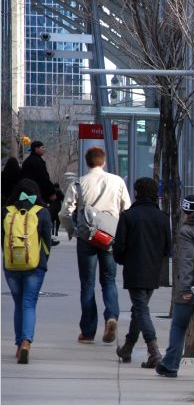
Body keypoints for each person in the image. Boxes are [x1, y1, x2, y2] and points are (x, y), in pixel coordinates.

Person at [60, 146, 131, 344]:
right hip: (109, 237)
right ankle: (111, 316)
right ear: (104, 161)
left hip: (86, 238)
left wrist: (72, 231)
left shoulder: (78, 183)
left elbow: (64, 213)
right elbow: (127, 208)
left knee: (87, 284)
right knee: (109, 281)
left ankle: (88, 331)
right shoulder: (117, 181)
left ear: (86, 162)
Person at [112, 177, 171, 368]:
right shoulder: (162, 217)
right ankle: (128, 347)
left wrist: (124, 259)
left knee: (141, 309)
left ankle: (153, 350)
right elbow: (167, 248)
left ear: (137, 192)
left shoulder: (128, 216)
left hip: (134, 269)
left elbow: (119, 248)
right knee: (139, 308)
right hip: (154, 270)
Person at [155, 195, 194, 378]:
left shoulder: (187, 231)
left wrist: (185, 288)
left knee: (179, 326)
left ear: (186, 212)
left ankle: (170, 365)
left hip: (191, 286)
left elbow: (186, 261)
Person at [2, 179, 52, 364]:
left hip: (11, 265)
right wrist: (44, 261)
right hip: (34, 266)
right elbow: (47, 241)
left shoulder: (6, 211)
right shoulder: (42, 212)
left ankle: (17, 345)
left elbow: (3, 239)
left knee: (18, 303)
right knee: (29, 303)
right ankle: (26, 342)